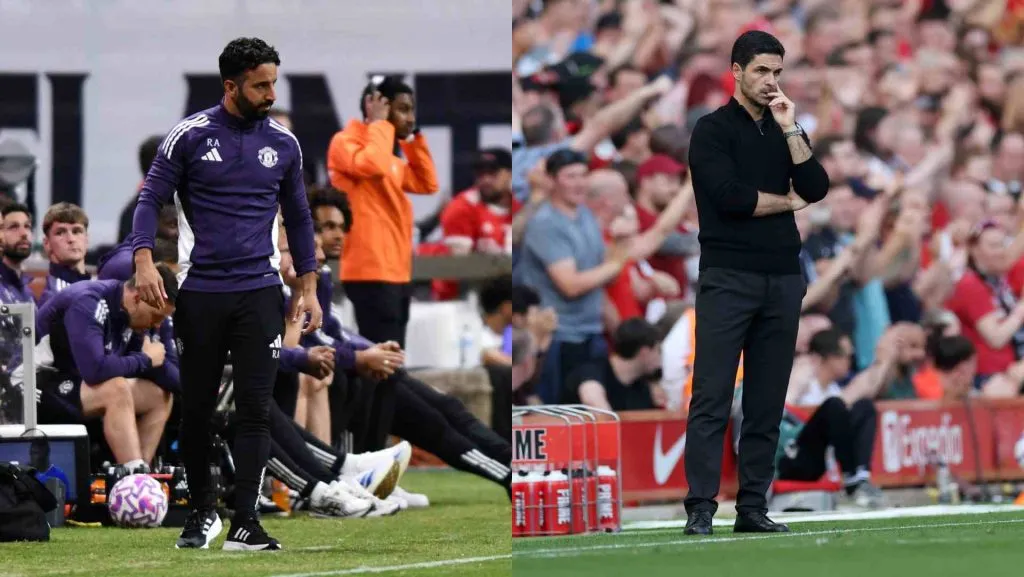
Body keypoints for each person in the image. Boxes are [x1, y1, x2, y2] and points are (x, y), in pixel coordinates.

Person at [131, 37, 322, 552]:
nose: (270, 93)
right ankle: (202, 515)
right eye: (261, 84)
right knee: (195, 409)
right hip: (201, 292)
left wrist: (308, 287)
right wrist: (144, 257)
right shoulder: (189, 136)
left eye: (274, 83)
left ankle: (245, 523)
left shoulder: (284, 143)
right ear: (231, 85)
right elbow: (150, 199)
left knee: (255, 409)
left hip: (259, 291)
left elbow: (300, 218)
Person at [682, 31, 829, 536]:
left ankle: (752, 507)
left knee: (767, 400)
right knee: (712, 396)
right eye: (762, 71)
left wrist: (791, 129)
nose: (771, 82)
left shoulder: (786, 127)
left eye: (778, 72)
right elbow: (731, 198)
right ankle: (701, 507)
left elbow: (817, 187)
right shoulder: (711, 130)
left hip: (784, 277)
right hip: (728, 276)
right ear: (737, 71)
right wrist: (786, 202)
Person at [326, 75, 438, 456]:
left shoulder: (387, 153)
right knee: (378, 372)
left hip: (396, 272)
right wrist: (379, 125)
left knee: (391, 374)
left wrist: (414, 136)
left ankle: (376, 458)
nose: (409, 117)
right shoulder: (347, 143)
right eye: (403, 109)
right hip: (369, 272)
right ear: (380, 106)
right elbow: (371, 166)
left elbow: (427, 183)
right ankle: (363, 457)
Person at [17, 267, 179, 472]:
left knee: (159, 395)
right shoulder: (88, 301)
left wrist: (199, 394)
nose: (157, 325)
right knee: (116, 389)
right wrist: (146, 359)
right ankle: (134, 478)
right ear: (138, 298)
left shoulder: (131, 316)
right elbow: (94, 370)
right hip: (29, 386)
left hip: (71, 382)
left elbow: (156, 369)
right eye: (156, 316)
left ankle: (142, 474)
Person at [518, 149, 628, 403]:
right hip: (559, 337)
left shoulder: (585, 215)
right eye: (570, 176)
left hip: (591, 332)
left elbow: (600, 270)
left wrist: (617, 252)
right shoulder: (545, 223)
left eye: (583, 175)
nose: (579, 183)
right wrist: (616, 262)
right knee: (561, 413)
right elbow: (570, 285)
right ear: (553, 180)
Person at [562, 317, 664, 411]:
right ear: (644, 352)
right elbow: (591, 398)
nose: (660, 358)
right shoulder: (593, 372)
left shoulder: (641, 388)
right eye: (658, 350)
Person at [38, 203, 91, 309]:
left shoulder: (97, 287)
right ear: (47, 243)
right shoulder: (55, 298)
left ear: (87, 239)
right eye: (60, 233)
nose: (71, 239)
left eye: (77, 231)